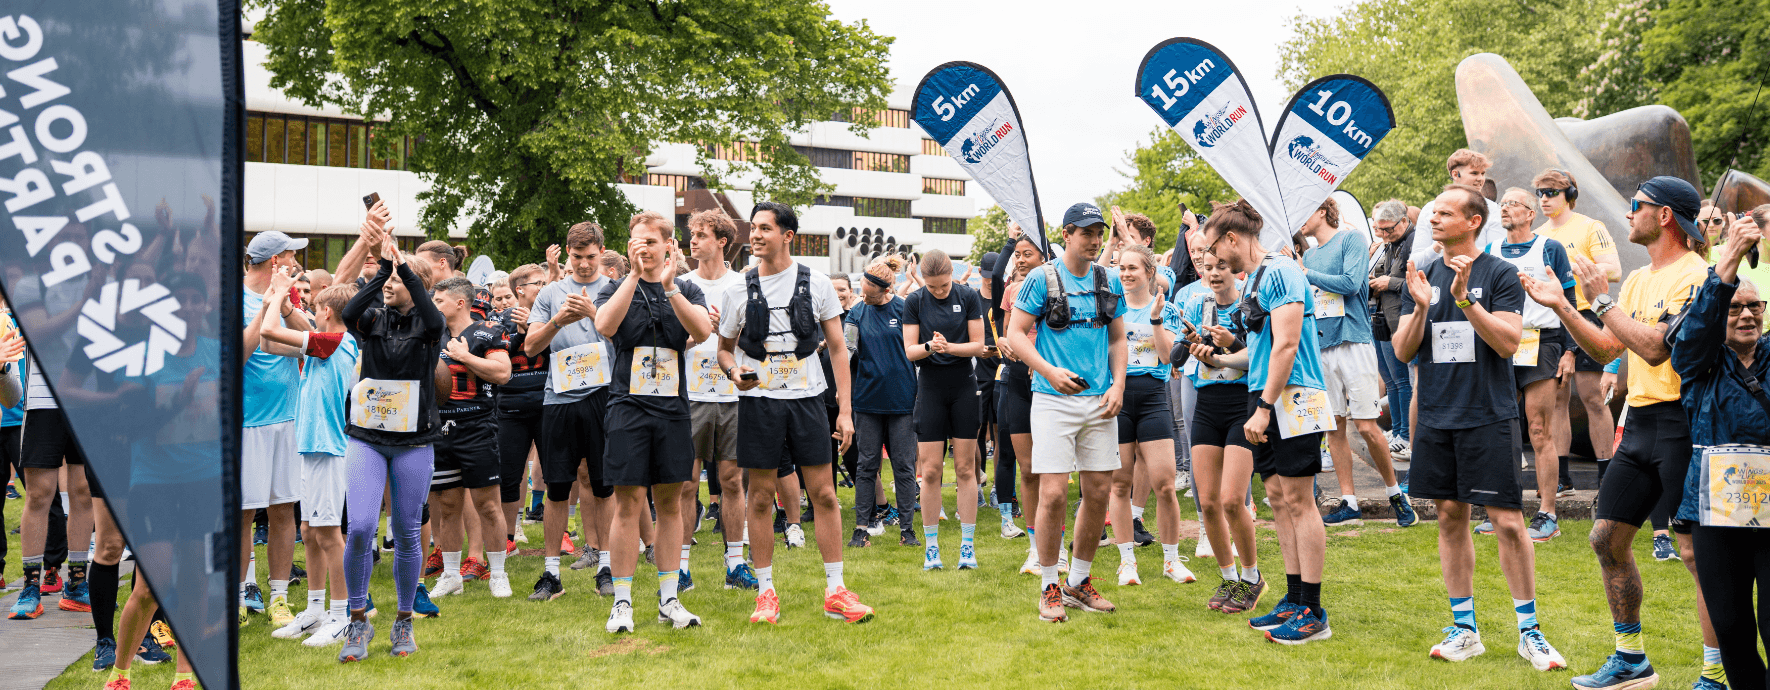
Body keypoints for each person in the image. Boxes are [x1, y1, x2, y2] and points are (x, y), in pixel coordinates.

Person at [1520, 176, 1714, 689]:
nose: (1628, 214)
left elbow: (1655, 348)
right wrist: (1562, 305)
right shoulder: (1638, 279)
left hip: (1684, 423)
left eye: (1637, 205)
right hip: (1642, 422)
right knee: (1606, 539)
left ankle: (1716, 673)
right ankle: (1632, 661)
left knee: (1696, 555)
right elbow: (1609, 348)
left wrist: (1601, 301)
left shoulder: (1696, 276)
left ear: (1665, 215)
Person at [1393, 184, 1567, 671]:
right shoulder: (1420, 272)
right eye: (1433, 212)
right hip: (1436, 414)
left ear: (1473, 222)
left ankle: (1530, 633)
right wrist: (1422, 306)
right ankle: (1465, 630)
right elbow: (1404, 351)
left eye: (1445, 213)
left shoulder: (1500, 273)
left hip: (1488, 414)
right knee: (1450, 516)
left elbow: (1509, 343)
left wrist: (1465, 300)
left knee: (1508, 522)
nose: (1433, 219)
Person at [715, 201, 872, 625]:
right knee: (760, 496)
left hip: (808, 401)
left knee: (824, 493)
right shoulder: (738, 289)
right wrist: (733, 373)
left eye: (765, 228)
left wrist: (845, 411)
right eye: (753, 227)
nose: (755, 235)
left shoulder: (817, 282)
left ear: (788, 235)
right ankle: (765, 594)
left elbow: (838, 348)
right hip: (760, 402)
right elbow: (724, 350)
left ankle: (836, 591)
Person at [1195, 199, 1332, 644]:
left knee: (1300, 500)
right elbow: (1260, 351)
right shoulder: (1255, 279)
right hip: (1266, 395)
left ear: (1232, 239)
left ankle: (1313, 611)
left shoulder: (1281, 271)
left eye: (1213, 247)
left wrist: (1265, 406)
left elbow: (1287, 345)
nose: (1213, 258)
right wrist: (1220, 359)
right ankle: (1294, 598)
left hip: (1293, 396)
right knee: (1278, 498)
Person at [1006, 202, 1127, 623]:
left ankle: (1078, 581)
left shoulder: (1108, 279)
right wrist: (1048, 371)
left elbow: (1118, 339)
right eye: (1087, 233)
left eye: (1099, 233)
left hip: (1099, 401)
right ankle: (1049, 585)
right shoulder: (1041, 278)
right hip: (1052, 399)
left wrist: (1118, 384)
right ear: (1067, 234)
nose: (1095, 240)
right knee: (1054, 493)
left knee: (1098, 493)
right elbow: (1014, 333)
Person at [593, 211, 712, 632]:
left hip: (672, 407)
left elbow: (703, 332)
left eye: (650, 241)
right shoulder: (615, 287)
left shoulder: (687, 287)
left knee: (670, 503)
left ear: (668, 245)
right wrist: (632, 274)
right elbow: (604, 325)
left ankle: (669, 599)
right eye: (636, 241)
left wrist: (670, 285)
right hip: (627, 406)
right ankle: (622, 602)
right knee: (628, 502)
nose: (643, 247)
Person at [337, 226, 446, 662]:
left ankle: (403, 620)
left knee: (406, 532)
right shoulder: (371, 320)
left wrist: (406, 271)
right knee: (361, 527)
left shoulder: (430, 326)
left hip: (414, 441)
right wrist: (385, 268)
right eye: (387, 280)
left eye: (398, 280)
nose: (388, 286)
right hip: (367, 438)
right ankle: (357, 619)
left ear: (416, 285)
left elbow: (433, 317)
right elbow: (348, 311)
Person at [1672, 206, 1770, 690]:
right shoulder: (1699, 363)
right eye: (1735, 308)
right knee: (1730, 628)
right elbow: (1694, 331)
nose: (1747, 314)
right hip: (1716, 513)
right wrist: (1727, 261)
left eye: (1755, 307)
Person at [1301, 198, 1413, 528]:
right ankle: (1349, 503)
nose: (1299, 220)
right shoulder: (1308, 255)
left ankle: (1395, 494)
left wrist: (1306, 274)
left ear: (1322, 210)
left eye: (1305, 211)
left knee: (1365, 426)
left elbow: (1352, 284)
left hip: (1353, 340)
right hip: (1322, 345)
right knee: (1333, 426)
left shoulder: (1351, 239)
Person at [263, 283, 361, 646]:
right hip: (311, 447)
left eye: (315, 308)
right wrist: (280, 303)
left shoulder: (336, 341)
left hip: (329, 449)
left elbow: (269, 330)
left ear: (326, 312)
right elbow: (267, 344)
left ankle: (341, 615)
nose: (312, 313)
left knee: (329, 534)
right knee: (308, 530)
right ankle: (316, 610)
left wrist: (277, 297)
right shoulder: (322, 344)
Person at [525, 223, 616, 600]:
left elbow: (627, 340)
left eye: (591, 257)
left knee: (604, 485)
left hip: (604, 396)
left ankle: (607, 567)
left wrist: (594, 313)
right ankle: (551, 574)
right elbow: (530, 347)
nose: (583, 264)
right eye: (577, 257)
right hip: (560, 398)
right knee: (557, 487)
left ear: (602, 252)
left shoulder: (615, 290)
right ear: (567, 253)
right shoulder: (550, 293)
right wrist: (557, 321)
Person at [1483, 188, 1580, 541]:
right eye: (1503, 204)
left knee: (1539, 430)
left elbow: (1568, 299)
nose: (1506, 209)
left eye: (1514, 204)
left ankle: (1547, 513)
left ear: (1530, 214)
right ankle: (1504, 509)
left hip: (1542, 342)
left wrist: (1571, 350)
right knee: (1500, 430)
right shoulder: (1490, 250)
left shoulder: (1549, 248)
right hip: (1501, 343)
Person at [237, 230, 313, 628]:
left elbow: (310, 339)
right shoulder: (232, 298)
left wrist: (284, 304)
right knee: (243, 513)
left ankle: (280, 598)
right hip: (246, 422)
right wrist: (265, 307)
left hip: (288, 419)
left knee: (283, 509)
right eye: (290, 255)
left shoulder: (289, 296)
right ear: (273, 262)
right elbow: (237, 354)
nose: (296, 262)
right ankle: (240, 595)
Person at [1182, 246, 1263, 613]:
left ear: (1237, 271)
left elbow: (1259, 357)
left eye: (1222, 267)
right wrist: (1192, 347)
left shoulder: (1250, 305)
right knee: (1208, 502)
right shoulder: (1197, 305)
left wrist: (1230, 345)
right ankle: (1229, 578)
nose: (1214, 273)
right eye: (1208, 267)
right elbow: (1176, 356)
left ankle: (1252, 577)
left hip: (1241, 405)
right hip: (1207, 404)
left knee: (1232, 499)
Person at [1107, 241, 1192, 587]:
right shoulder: (1111, 307)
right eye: (1122, 268)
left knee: (1165, 484)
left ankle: (1172, 560)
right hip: (1118, 398)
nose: (1126, 274)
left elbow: (1168, 356)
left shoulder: (1165, 308)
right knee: (1119, 483)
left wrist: (1156, 319)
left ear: (1149, 272)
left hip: (1154, 397)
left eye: (1133, 268)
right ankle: (1127, 562)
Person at [681, 210, 757, 590]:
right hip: (689, 394)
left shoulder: (742, 285)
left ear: (722, 241)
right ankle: (680, 568)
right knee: (685, 484)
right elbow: (665, 344)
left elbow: (758, 343)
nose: (693, 241)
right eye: (691, 234)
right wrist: (698, 333)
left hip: (733, 395)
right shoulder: (680, 285)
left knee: (731, 481)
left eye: (701, 235)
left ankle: (735, 565)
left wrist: (727, 332)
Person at [1534, 169, 1623, 491]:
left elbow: (1614, 269)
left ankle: (1606, 476)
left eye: (1551, 192)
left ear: (1569, 194)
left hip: (1586, 315)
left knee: (1592, 397)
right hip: (1551, 318)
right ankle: (1562, 479)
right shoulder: (1538, 234)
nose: (1544, 199)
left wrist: (1569, 269)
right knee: (1556, 398)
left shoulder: (1590, 226)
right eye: (1540, 193)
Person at [426, 278, 514, 598]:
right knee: (448, 504)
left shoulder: (487, 331)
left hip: (477, 427)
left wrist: (465, 357)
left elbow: (502, 373)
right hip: (441, 428)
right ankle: (451, 575)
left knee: (487, 505)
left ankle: (498, 573)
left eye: (440, 301)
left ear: (460, 303)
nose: (434, 306)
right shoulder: (432, 334)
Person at [904, 249, 987, 571]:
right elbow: (910, 351)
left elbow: (978, 345)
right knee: (931, 471)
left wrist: (949, 347)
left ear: (952, 274)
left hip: (963, 386)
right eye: (932, 286)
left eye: (943, 285)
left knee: (965, 469)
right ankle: (932, 548)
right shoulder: (915, 301)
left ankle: (968, 546)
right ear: (924, 281)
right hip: (930, 388)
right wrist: (930, 346)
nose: (939, 291)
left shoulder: (968, 296)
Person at [844, 257, 919, 548]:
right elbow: (848, 350)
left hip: (902, 401)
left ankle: (907, 530)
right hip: (867, 401)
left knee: (903, 467)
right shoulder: (856, 312)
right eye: (862, 289)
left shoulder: (904, 309)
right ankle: (861, 529)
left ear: (885, 290)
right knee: (866, 466)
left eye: (870, 292)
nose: (864, 295)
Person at [995, 234, 1052, 573]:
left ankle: (1054, 547)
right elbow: (1007, 331)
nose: (1019, 259)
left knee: (1053, 473)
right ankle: (1034, 548)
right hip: (1016, 379)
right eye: (1016, 254)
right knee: (1028, 469)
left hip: (1047, 378)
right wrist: (1004, 342)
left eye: (1026, 254)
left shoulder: (1056, 288)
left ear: (1043, 257)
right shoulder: (1012, 290)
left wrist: (1038, 360)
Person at [494, 264, 548, 558]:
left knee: (556, 474)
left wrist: (537, 330)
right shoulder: (501, 319)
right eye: (538, 282)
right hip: (511, 406)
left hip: (548, 403)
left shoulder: (552, 314)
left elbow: (557, 354)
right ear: (520, 290)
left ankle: (563, 534)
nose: (543, 286)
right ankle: (507, 538)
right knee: (509, 475)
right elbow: (499, 357)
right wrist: (521, 332)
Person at [1368, 199, 1415, 459]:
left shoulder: (1414, 243)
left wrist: (1390, 283)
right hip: (1385, 318)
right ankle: (1398, 432)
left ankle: (1407, 435)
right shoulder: (1391, 244)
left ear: (1404, 221)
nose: (1384, 235)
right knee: (1392, 381)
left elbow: (1424, 283)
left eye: (1389, 229)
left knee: (1402, 381)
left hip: (1402, 321)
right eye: (1380, 229)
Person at [1410, 149, 1505, 267]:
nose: (1480, 179)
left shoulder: (1494, 210)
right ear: (1455, 174)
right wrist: (1436, 248)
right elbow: (1414, 264)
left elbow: (1497, 258)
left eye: (1483, 173)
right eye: (1474, 173)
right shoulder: (1429, 209)